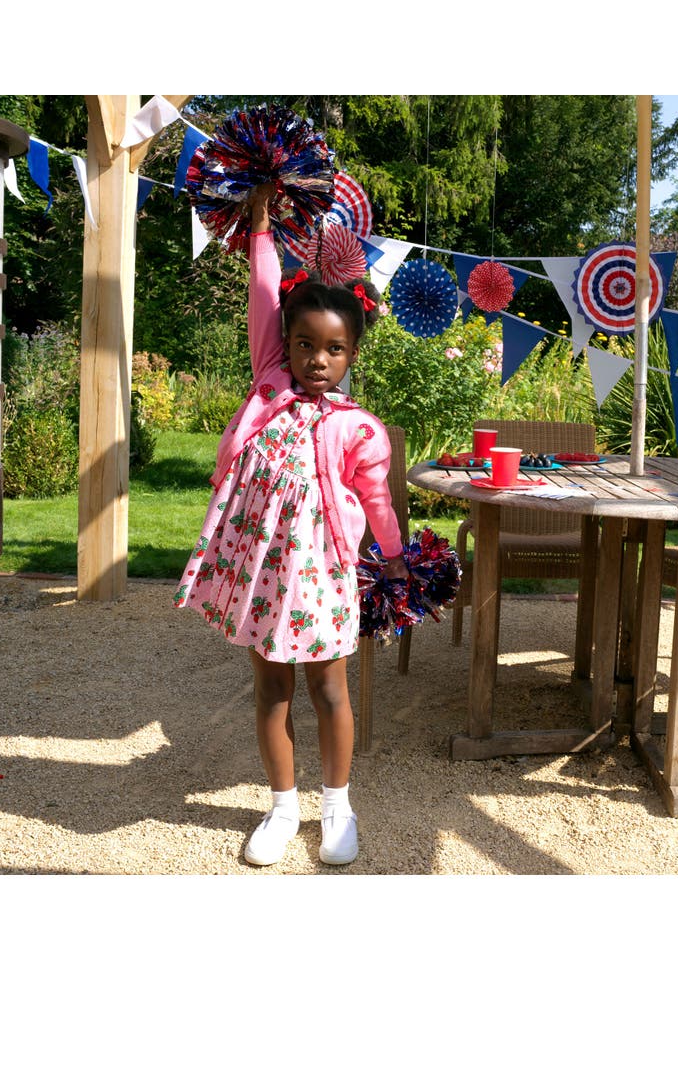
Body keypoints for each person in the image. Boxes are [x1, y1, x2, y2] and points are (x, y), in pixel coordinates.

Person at [175, 182, 408, 868]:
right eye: (304, 343)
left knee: (329, 687)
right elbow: (264, 289)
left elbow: (377, 502)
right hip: (260, 573)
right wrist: (260, 225)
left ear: (351, 354)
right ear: (285, 344)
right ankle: (283, 806)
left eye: (332, 349)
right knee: (271, 687)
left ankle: (338, 805)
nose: (315, 358)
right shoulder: (268, 382)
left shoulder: (360, 429)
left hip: (324, 575)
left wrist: (393, 558)